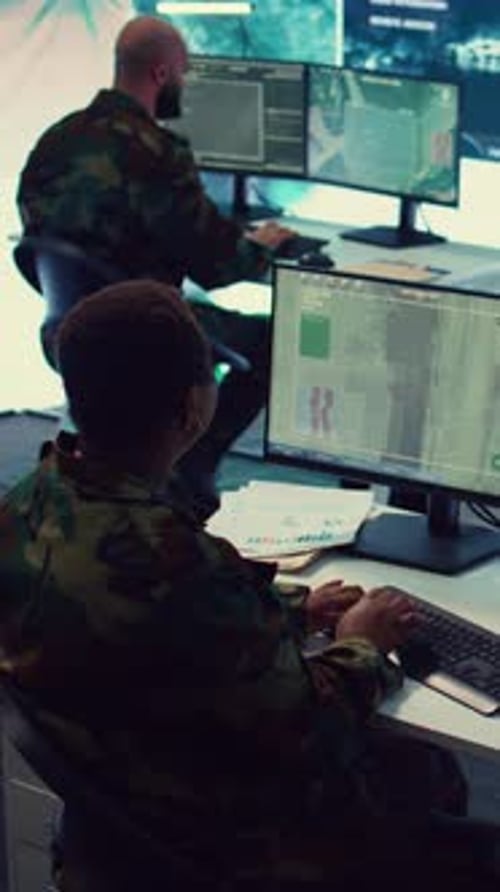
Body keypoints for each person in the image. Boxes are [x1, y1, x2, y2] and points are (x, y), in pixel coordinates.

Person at [0, 279, 498, 892]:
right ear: (193, 409)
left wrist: (295, 606)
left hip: (113, 830)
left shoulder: (28, 504)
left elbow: (157, 617)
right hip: (234, 846)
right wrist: (364, 642)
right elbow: (312, 731)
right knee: (426, 774)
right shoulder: (174, 559)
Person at [16, 14, 295, 520]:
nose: (185, 85)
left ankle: (127, 472)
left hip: (71, 333)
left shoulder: (56, 140)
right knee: (276, 341)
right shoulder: (156, 152)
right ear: (163, 73)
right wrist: (265, 246)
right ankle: (189, 470)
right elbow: (217, 262)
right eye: (184, 73)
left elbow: (40, 233)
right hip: (145, 338)